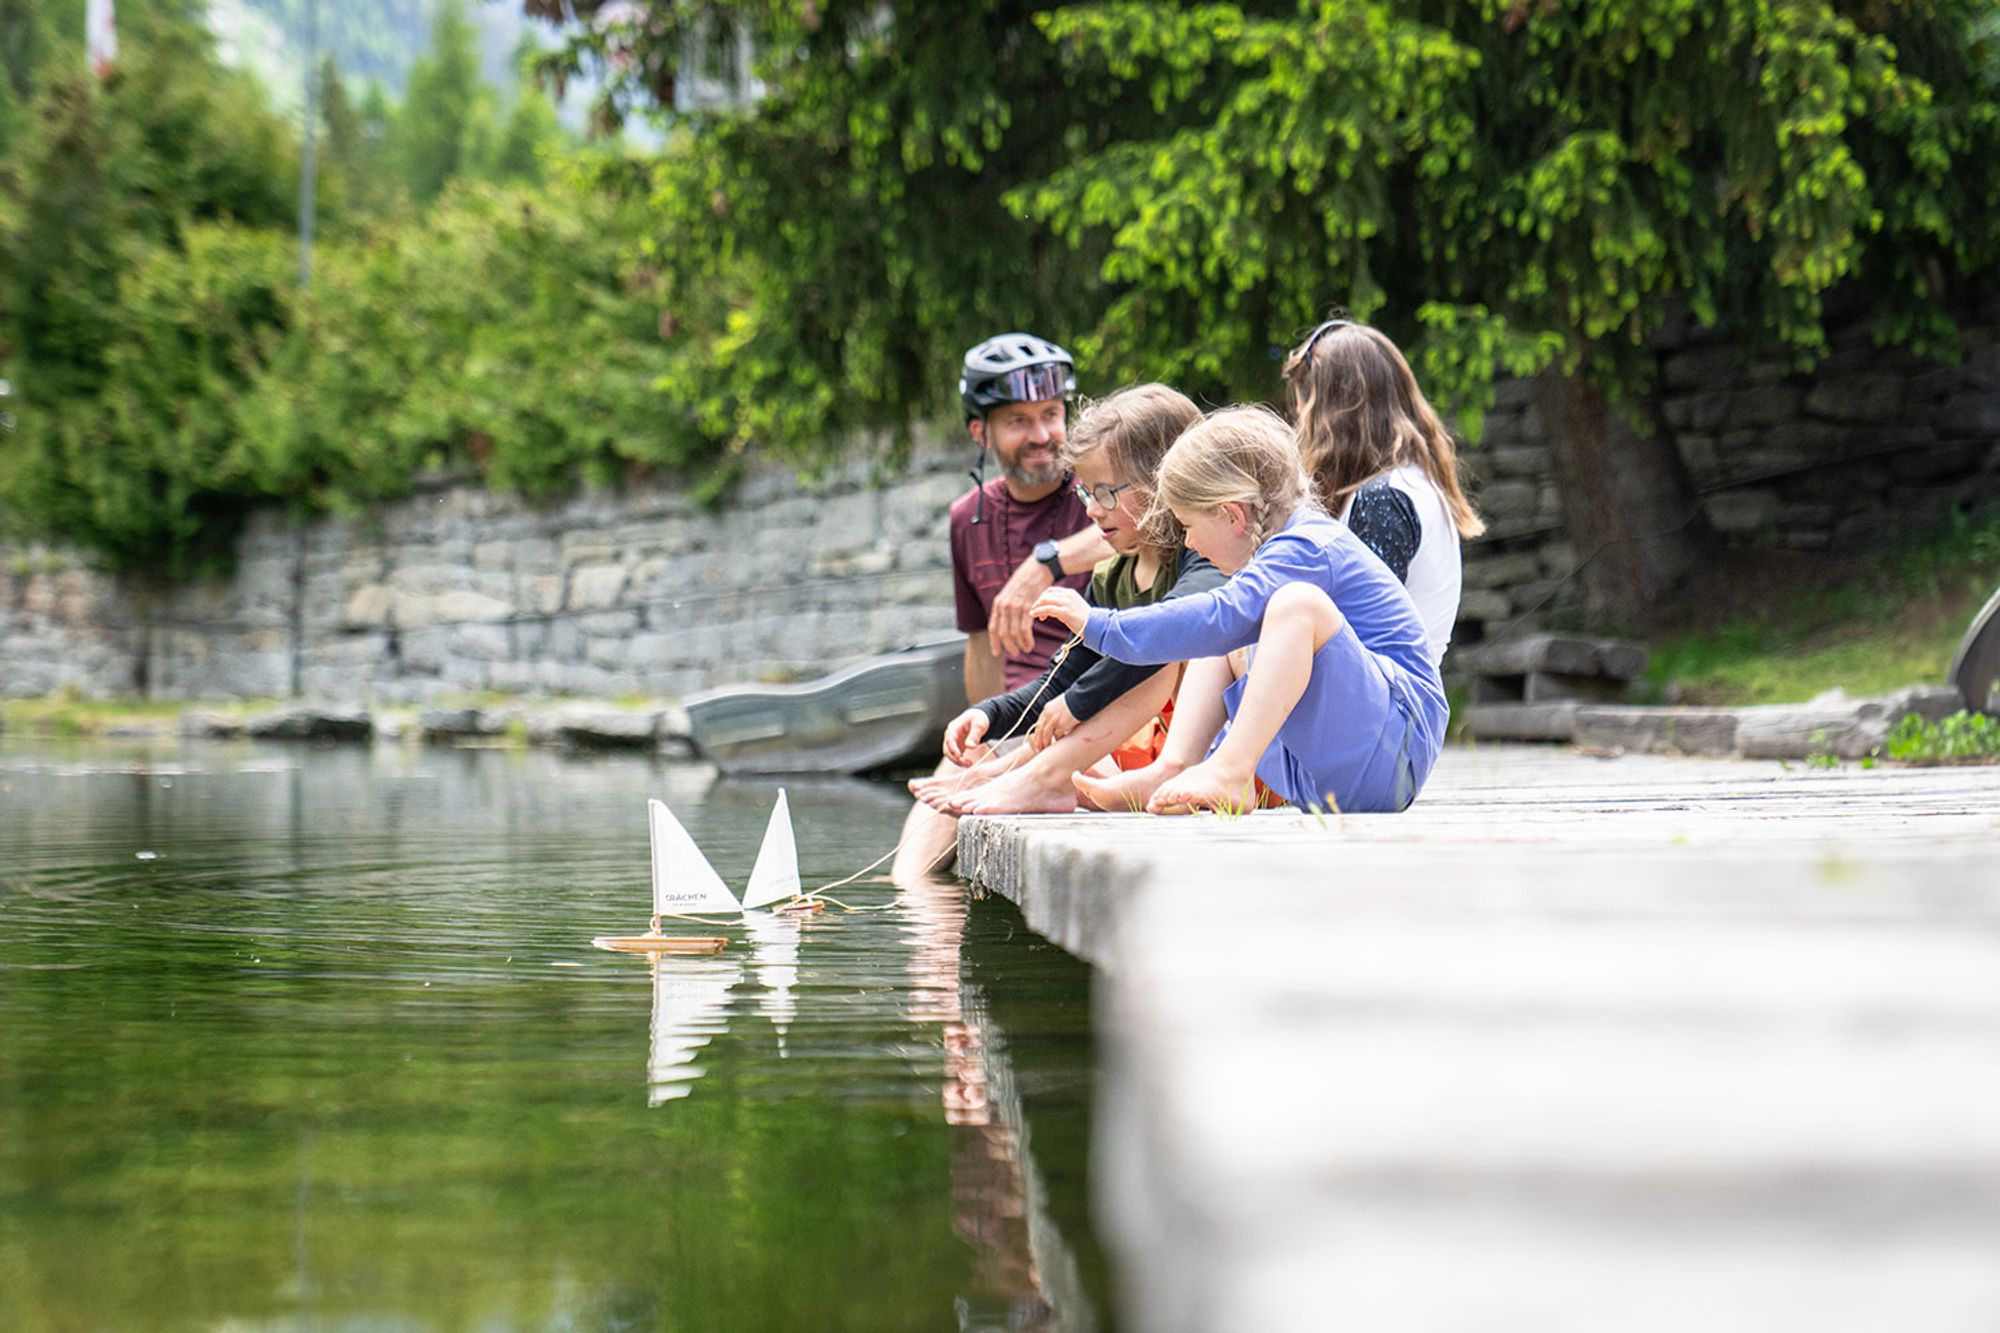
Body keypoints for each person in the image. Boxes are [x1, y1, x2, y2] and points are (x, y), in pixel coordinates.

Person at [1040, 406, 1447, 816]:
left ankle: (1231, 770)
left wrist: (1102, 626)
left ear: (1232, 514)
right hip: (1322, 775)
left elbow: (1221, 615)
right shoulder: (1272, 557)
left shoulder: (1308, 546)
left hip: (1392, 757)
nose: (1190, 545)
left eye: (1188, 526)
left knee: (1290, 606)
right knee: (1231, 629)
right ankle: (1176, 767)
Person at [910, 384, 1224, 818]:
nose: (1092, 511)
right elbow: (1060, 678)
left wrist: (1075, 703)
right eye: (1086, 493)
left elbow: (1165, 636)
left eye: (1106, 493)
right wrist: (991, 714)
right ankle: (1022, 772)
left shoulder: (1210, 561)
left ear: (1162, 484)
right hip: (1151, 758)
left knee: (1159, 651)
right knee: (1068, 706)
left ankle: (1044, 778)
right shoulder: (1113, 574)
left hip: (1223, 768)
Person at [1282, 318, 1485, 666]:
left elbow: (1358, 642)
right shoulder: (1412, 485)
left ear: (1331, 412)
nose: (1300, 419)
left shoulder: (1384, 500)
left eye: (1305, 404)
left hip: (1381, 711)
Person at [948, 333, 1112, 703]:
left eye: (1051, 414)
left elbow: (1149, 530)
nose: (1041, 436)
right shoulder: (966, 518)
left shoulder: (1102, 488)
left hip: (1094, 704)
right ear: (981, 433)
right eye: (1018, 421)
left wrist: (1046, 563)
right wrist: (981, 737)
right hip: (1014, 713)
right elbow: (981, 644)